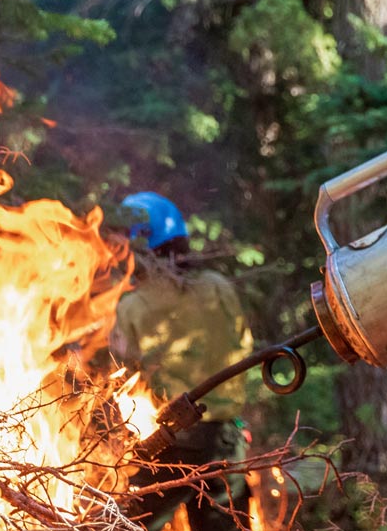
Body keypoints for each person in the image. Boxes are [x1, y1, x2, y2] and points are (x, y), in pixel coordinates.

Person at [110, 192, 255, 530]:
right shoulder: (217, 287)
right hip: (225, 440)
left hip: (171, 445)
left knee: (128, 524)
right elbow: (244, 345)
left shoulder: (133, 306)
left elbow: (123, 378)